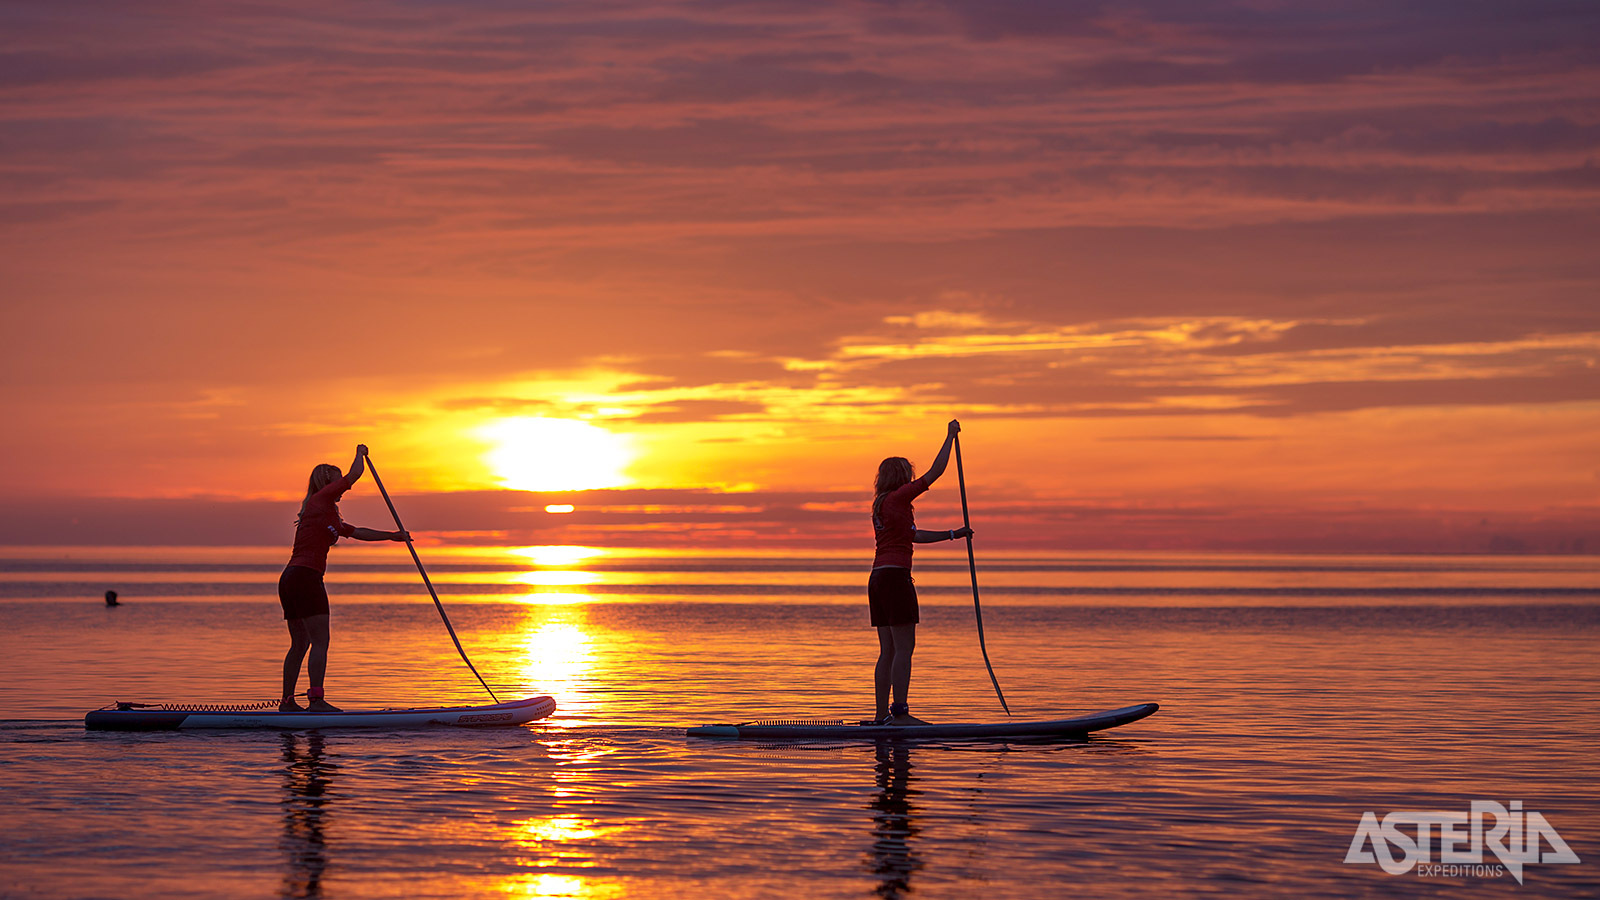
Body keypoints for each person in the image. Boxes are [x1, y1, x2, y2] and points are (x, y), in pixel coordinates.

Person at [279, 444, 408, 712]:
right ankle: (315, 701)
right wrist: (360, 454)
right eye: (337, 480)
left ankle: (288, 703)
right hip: (303, 577)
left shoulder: (329, 514)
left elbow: (357, 531)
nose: (342, 486)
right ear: (328, 482)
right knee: (319, 641)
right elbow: (354, 475)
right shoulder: (320, 500)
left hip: (293, 578)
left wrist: (392, 535)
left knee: (302, 643)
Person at [869, 420, 973, 725]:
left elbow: (912, 536)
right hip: (895, 578)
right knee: (904, 648)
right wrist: (949, 437)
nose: (912, 480)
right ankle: (899, 714)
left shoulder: (881, 504)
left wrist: (954, 534)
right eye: (908, 476)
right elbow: (936, 473)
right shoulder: (899, 498)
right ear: (901, 478)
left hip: (878, 578)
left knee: (888, 650)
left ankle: (880, 718)